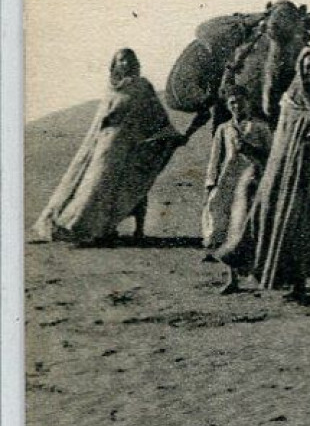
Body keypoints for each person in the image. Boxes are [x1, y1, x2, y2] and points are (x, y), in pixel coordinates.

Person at [32, 48, 182, 244]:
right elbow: (100, 121)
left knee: (132, 184)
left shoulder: (143, 86)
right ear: (114, 64)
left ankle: (128, 230)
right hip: (108, 144)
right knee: (98, 184)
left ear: (136, 63)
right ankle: (88, 227)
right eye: (121, 60)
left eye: (129, 60)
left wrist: (167, 132)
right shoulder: (111, 88)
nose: (126, 64)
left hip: (134, 143)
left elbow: (156, 112)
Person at [242, 46, 310, 299]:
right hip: (295, 178)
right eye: (306, 67)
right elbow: (282, 144)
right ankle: (298, 285)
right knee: (296, 229)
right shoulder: (291, 101)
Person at [202, 86, 271, 293]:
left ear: (248, 101)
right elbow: (215, 159)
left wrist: (251, 150)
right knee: (226, 227)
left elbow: (272, 156)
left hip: (253, 183)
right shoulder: (224, 129)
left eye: (239, 100)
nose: (236, 105)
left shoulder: (260, 128)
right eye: (231, 102)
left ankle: (259, 273)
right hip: (229, 183)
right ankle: (232, 279)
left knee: (250, 228)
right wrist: (210, 184)